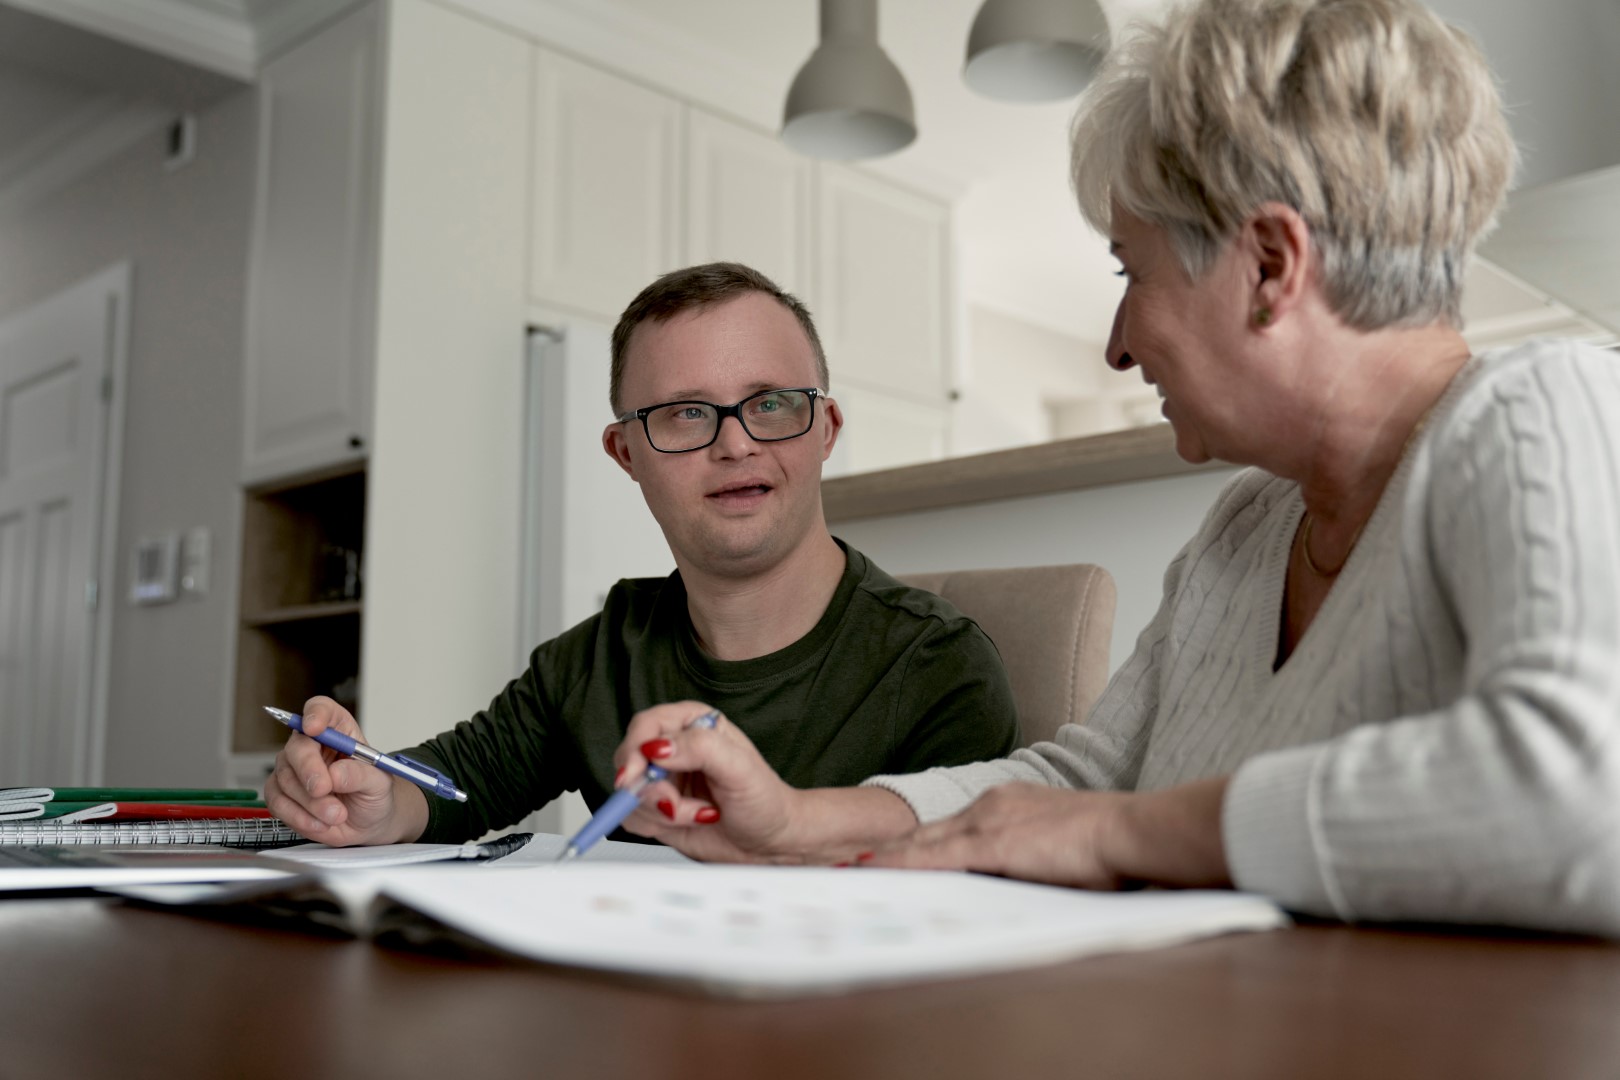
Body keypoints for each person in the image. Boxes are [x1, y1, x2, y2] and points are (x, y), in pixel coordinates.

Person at [607, 0, 1620, 937]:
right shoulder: (1246, 527)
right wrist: (787, 821)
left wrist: (1115, 835)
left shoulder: (1539, 409)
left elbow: (1584, 791)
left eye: (1132, 273)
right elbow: (1081, 778)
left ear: (1271, 265)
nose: (1118, 345)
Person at [263, 262, 1019, 846]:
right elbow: (452, 786)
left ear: (825, 429)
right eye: (686, 414)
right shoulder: (598, 657)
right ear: (626, 453)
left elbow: (947, 883)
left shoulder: (939, 669)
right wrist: (366, 801)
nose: (736, 442)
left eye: (771, 404)